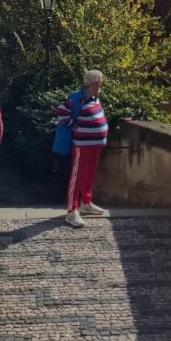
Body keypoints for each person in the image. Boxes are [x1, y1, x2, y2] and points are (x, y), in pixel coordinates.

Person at [57, 70, 109, 229]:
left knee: (90, 174)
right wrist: (73, 123)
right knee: (77, 176)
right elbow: (60, 112)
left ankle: (86, 202)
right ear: (90, 85)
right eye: (98, 84)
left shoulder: (95, 97)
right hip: (81, 145)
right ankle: (72, 211)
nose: (100, 86)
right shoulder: (76, 98)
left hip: (95, 144)